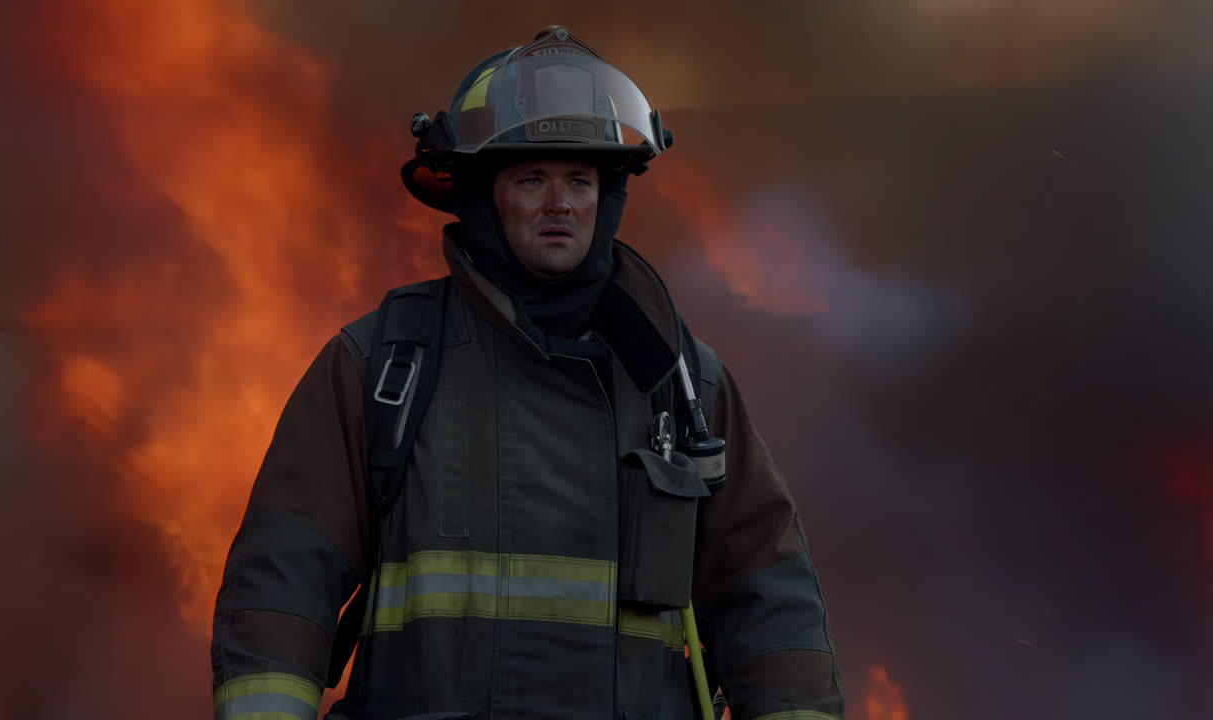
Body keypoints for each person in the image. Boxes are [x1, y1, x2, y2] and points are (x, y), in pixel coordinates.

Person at [211, 26, 844, 720]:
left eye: (580, 179)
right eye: (532, 177)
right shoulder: (384, 364)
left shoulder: (681, 383)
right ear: (485, 194)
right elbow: (282, 574)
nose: (559, 203)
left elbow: (769, 600)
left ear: (608, 199)